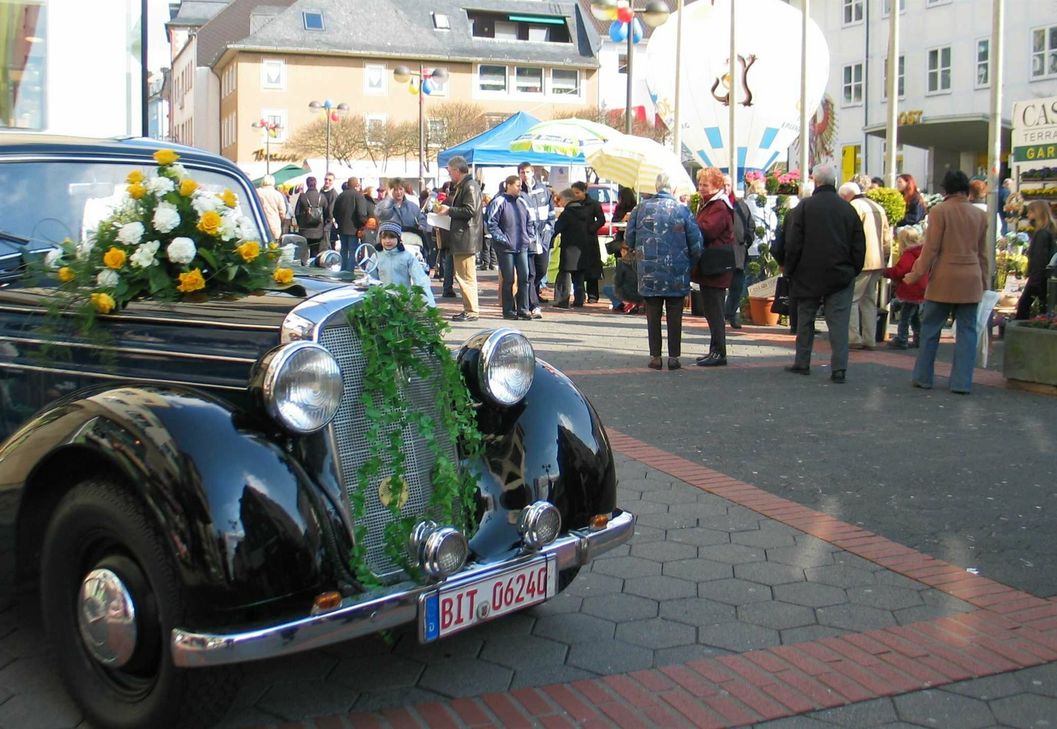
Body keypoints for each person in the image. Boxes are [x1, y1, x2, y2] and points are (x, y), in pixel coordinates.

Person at [904, 170, 989, 394]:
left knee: (931, 328)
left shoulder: (939, 211)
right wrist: (985, 281)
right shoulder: (979, 215)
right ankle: (962, 382)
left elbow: (930, 249)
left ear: (946, 189)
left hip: (944, 277)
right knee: (967, 332)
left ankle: (923, 377)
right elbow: (983, 253)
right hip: (971, 278)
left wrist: (915, 274)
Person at [783, 164, 866, 383]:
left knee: (805, 319)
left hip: (807, 273)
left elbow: (793, 243)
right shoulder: (847, 209)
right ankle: (839, 368)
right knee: (838, 323)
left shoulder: (804, 207)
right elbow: (858, 245)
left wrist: (790, 269)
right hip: (840, 273)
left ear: (816, 181)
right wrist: (853, 269)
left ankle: (802, 361)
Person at [626, 172, 703, 371]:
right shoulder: (682, 210)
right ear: (673, 188)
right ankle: (674, 357)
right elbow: (696, 242)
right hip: (677, 270)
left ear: (656, 186)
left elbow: (629, 238)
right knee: (675, 314)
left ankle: (655, 357)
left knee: (652, 313)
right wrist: (690, 262)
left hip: (649, 270)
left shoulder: (640, 208)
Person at [839, 181, 891, 350]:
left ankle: (853, 337)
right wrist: (885, 257)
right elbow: (886, 237)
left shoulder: (853, 207)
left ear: (846, 195)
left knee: (852, 299)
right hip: (877, 260)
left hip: (861, 261)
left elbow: (849, 235)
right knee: (869, 301)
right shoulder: (877, 207)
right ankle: (870, 339)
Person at [694, 167, 734, 367]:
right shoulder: (710, 204)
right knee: (711, 311)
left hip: (715, 266)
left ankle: (719, 352)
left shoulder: (718, 206)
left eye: (705, 185)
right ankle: (715, 350)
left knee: (715, 311)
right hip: (710, 265)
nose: (701, 188)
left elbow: (708, 230)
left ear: (716, 186)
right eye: (700, 184)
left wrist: (690, 224)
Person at [485, 174, 537, 320]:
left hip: (522, 245)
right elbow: (491, 223)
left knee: (524, 278)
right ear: (508, 185)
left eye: (521, 186)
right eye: (517, 185)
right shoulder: (499, 201)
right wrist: (503, 239)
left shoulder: (522, 202)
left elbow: (530, 221)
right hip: (506, 247)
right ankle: (508, 310)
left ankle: (523, 308)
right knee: (508, 279)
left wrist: (529, 238)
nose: (520, 188)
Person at [437, 155, 482, 322]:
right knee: (464, 276)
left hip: (466, 238)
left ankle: (471, 310)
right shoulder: (467, 185)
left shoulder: (469, 186)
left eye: (450, 172)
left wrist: (449, 210)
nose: (449, 175)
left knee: (466, 277)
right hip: (464, 237)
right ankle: (470, 309)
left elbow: (470, 210)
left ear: (457, 170)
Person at [372, 222, 436, 306]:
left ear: (398, 238)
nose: (387, 241)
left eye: (391, 237)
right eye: (384, 238)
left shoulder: (407, 257)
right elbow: (371, 279)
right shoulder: (376, 256)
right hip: (382, 302)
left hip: (403, 301)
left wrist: (429, 304)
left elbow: (420, 280)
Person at [883, 226, 927, 349]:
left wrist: (886, 272)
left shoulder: (909, 254)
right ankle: (919, 338)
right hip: (921, 288)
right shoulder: (922, 252)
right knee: (914, 316)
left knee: (905, 316)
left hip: (910, 288)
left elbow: (900, 271)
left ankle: (902, 338)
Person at [518, 162, 555, 307]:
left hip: (543, 236)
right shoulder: (518, 190)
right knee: (530, 272)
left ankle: (526, 294)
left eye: (527, 172)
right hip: (527, 238)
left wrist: (549, 230)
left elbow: (551, 212)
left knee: (542, 269)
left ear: (532, 172)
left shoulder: (543, 189)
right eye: (522, 172)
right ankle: (531, 302)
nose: (525, 175)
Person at [1015, 199, 1057, 319]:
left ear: (1037, 213)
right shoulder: (1049, 232)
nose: (1027, 215)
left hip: (1038, 280)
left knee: (1023, 308)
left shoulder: (1042, 234)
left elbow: (1039, 260)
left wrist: (1033, 283)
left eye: (1029, 212)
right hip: (1045, 279)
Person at [552, 188, 592, 308]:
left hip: (569, 247)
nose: (559, 202)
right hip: (582, 247)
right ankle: (579, 300)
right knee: (579, 275)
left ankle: (562, 300)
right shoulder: (585, 211)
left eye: (560, 199)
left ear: (565, 199)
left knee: (564, 274)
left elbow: (556, 228)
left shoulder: (567, 214)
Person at [725, 175, 755, 330]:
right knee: (720, 287)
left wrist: (746, 242)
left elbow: (750, 225)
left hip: (738, 252)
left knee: (737, 286)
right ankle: (721, 314)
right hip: (721, 253)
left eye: (728, 185)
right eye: (723, 185)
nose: (726, 188)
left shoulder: (740, 205)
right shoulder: (716, 204)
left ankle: (730, 314)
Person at [571, 181, 606, 303]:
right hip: (576, 239)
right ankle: (580, 294)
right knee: (578, 268)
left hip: (590, 240)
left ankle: (593, 295)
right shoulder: (572, 204)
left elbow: (601, 219)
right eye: (573, 193)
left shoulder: (594, 204)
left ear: (584, 191)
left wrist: (591, 229)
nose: (575, 195)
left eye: (577, 193)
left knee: (592, 268)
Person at [332, 177, 370, 272]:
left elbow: (334, 212)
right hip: (355, 229)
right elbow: (361, 214)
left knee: (343, 250)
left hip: (342, 228)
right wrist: (363, 224)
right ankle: (349, 272)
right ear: (357, 185)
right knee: (353, 251)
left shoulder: (340, 196)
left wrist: (340, 222)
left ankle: (343, 270)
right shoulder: (358, 196)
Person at [294, 176, 331, 263]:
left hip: (305, 230)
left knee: (303, 253)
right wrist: (325, 226)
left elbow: (297, 213)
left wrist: (301, 223)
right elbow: (328, 214)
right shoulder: (321, 197)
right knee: (315, 253)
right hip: (318, 230)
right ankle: (313, 268)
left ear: (307, 184)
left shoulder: (302, 197)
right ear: (316, 184)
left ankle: (304, 268)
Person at [602, 241, 644, 313]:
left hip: (627, 293)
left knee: (606, 289)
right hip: (641, 293)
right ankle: (635, 304)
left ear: (624, 251)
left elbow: (618, 280)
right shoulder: (641, 261)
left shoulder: (622, 263)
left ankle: (620, 304)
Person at [256, 174, 287, 241]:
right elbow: (282, 212)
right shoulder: (278, 195)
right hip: (274, 226)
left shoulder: (257, 192)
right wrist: (281, 221)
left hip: (259, 224)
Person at [320, 172, 340, 250]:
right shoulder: (321, 191)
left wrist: (328, 222)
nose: (327, 181)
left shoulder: (333, 194)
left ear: (333, 181)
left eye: (330, 180)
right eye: (326, 179)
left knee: (329, 246)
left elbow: (331, 211)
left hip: (329, 224)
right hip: (321, 222)